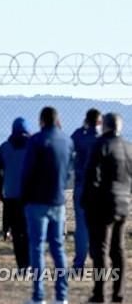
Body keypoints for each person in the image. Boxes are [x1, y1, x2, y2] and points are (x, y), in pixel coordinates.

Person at [21, 107, 73, 304]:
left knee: (37, 248)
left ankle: (38, 296)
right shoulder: (67, 141)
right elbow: (69, 171)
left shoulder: (36, 141)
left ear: (42, 120)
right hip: (58, 200)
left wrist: (25, 197)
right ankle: (61, 296)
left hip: (37, 202)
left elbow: (27, 172)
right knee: (58, 248)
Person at [82, 113, 131, 303]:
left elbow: (91, 177)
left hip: (102, 206)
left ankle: (99, 293)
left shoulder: (101, 145)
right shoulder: (129, 148)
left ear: (104, 126)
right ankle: (118, 293)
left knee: (101, 250)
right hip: (123, 204)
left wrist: (87, 203)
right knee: (119, 250)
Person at [0, 117, 30, 271]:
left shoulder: (5, 147)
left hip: (11, 194)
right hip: (28, 196)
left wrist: (0, 187)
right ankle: (29, 263)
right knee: (28, 231)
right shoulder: (32, 146)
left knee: (16, 232)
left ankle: (21, 264)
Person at [70, 108, 101, 272]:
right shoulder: (102, 139)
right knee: (98, 226)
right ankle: (98, 263)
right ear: (99, 122)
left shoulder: (78, 136)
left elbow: (69, 149)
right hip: (98, 187)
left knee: (81, 226)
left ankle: (79, 264)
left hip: (81, 185)